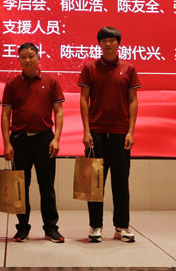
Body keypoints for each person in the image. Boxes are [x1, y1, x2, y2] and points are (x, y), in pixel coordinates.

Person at [78, 26, 141, 243]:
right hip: (95, 133)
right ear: (99, 44)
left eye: (112, 40)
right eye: (104, 40)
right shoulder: (90, 68)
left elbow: (133, 101)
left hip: (120, 133)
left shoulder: (128, 69)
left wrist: (130, 131)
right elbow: (84, 100)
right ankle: (95, 226)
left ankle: (121, 226)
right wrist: (86, 131)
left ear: (118, 44)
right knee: (94, 183)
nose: (108, 44)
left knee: (121, 182)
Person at [1, 43, 65, 243]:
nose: (27, 60)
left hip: (44, 139)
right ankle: (22, 228)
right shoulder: (12, 84)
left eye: (31, 56)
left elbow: (59, 111)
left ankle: (51, 228)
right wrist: (6, 143)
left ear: (38, 58)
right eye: (23, 57)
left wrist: (56, 138)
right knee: (20, 187)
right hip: (19, 141)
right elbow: (5, 115)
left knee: (47, 187)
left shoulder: (51, 81)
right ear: (18, 60)